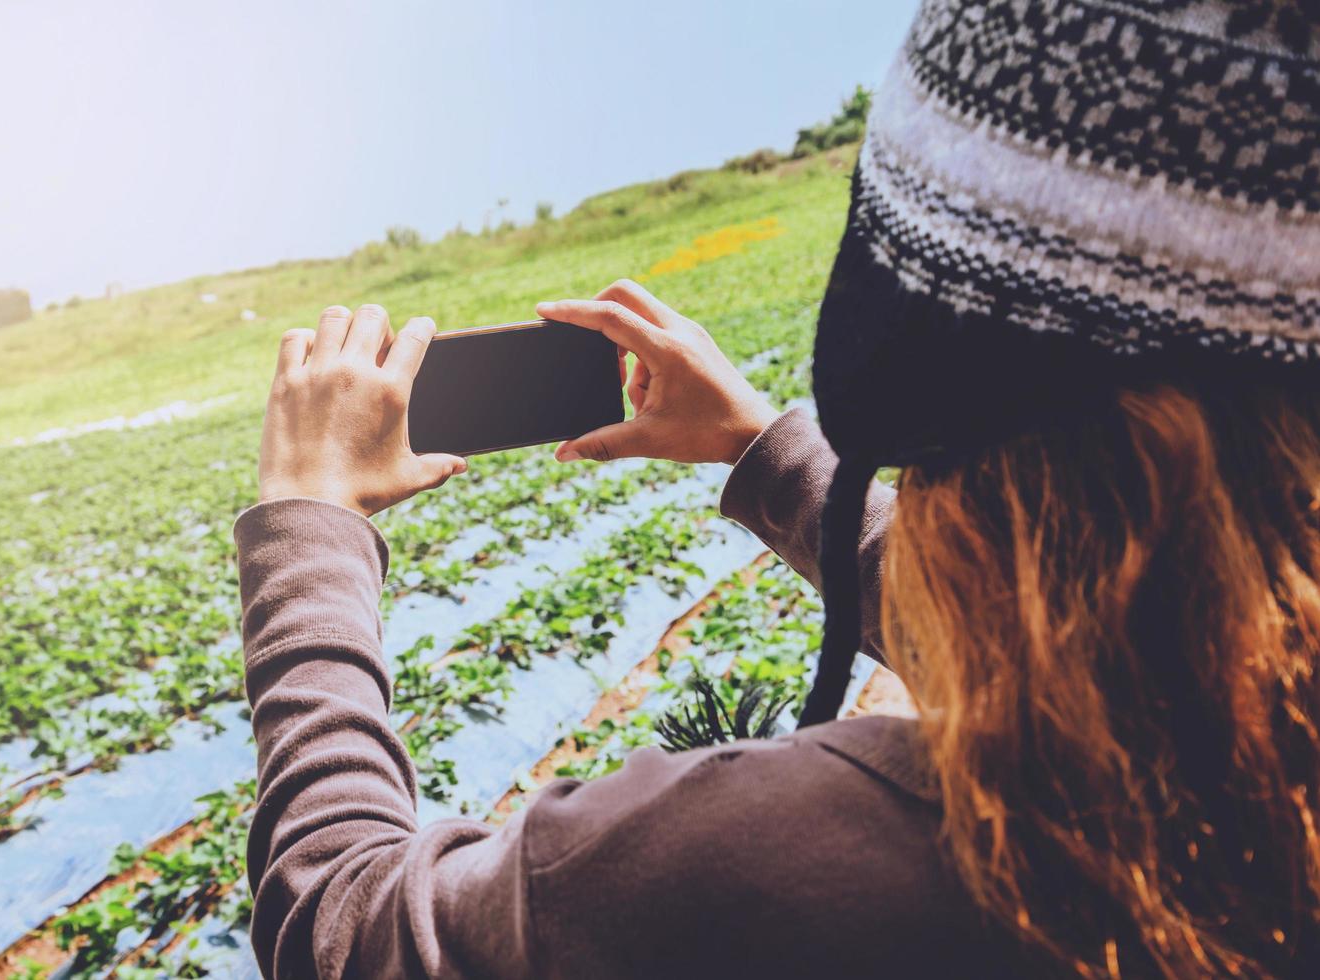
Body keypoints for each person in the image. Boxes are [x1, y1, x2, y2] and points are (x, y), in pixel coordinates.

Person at [233, 1, 1320, 976]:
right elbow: (1100, 631)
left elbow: (341, 920)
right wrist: (762, 445)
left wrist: (309, 525)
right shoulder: (1253, 733)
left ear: (900, 357)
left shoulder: (766, 854)